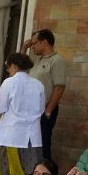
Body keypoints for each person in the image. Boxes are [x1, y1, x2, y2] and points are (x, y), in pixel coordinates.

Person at [0, 53, 44, 175]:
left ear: (14, 66)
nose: (8, 71)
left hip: (10, 138)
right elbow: (41, 109)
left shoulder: (9, 82)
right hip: (32, 139)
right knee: (28, 174)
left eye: (8, 67)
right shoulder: (38, 85)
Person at [25, 29, 66, 160]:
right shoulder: (37, 59)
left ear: (45, 42)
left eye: (35, 43)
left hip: (44, 109)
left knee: (42, 144)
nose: (33, 46)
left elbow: (59, 88)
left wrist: (48, 111)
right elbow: (20, 66)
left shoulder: (56, 60)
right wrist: (24, 47)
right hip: (30, 109)